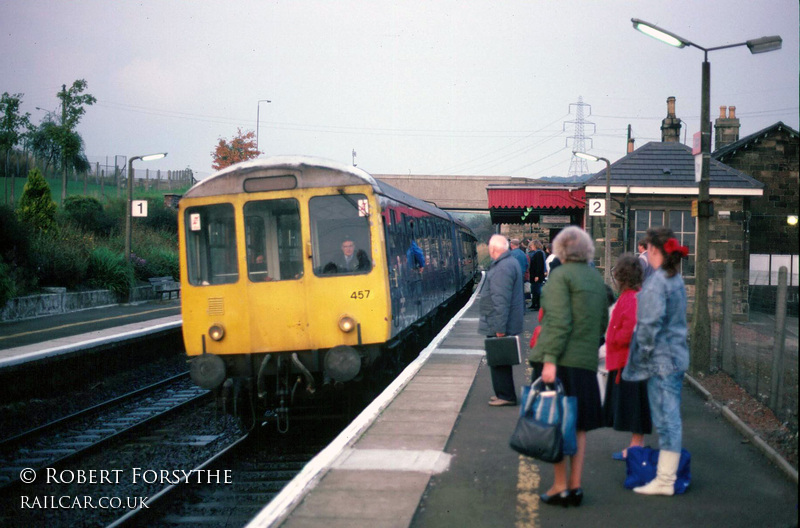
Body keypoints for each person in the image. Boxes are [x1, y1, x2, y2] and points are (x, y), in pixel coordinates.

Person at [529, 226, 608, 507]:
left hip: (559, 361)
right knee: (579, 426)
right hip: (585, 363)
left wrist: (549, 360)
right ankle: (575, 486)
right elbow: (602, 324)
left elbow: (556, 322)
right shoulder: (596, 280)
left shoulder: (559, 277)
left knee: (556, 423)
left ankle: (560, 486)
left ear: (560, 250)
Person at [623, 227, 690, 496]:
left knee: (666, 420)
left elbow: (649, 326)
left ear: (653, 250)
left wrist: (642, 356)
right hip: (676, 356)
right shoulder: (676, 280)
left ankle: (665, 480)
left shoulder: (657, 282)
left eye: (648, 249)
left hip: (661, 361)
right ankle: (666, 476)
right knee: (669, 419)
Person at [603, 254, 651, 461]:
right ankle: (635, 446)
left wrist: (613, 341)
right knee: (635, 405)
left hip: (629, 361)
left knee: (634, 406)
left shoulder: (631, 298)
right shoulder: (633, 295)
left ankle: (635, 448)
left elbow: (629, 329)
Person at [478, 234, 525, 407]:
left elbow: (500, 299)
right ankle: (503, 393)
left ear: (493, 249)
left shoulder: (502, 267)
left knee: (499, 360)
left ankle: (506, 395)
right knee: (500, 361)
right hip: (502, 320)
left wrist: (499, 327)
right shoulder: (508, 263)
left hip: (499, 322)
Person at [529, 240, 546, 310]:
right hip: (536, 274)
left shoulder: (538, 253)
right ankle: (534, 303)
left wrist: (537, 275)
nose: (530, 247)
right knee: (534, 289)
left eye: (531, 245)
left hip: (536, 275)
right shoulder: (539, 253)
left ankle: (537, 304)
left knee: (536, 290)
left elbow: (539, 265)